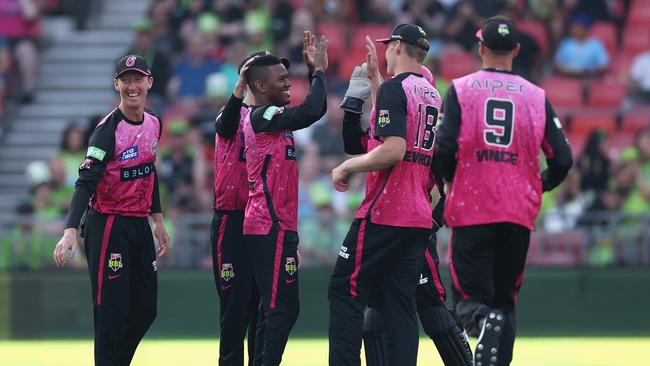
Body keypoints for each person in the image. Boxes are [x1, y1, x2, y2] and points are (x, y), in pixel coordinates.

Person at [435, 16, 573, 366]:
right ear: (516, 50)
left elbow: (444, 148)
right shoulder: (537, 96)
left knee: (469, 300)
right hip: (517, 213)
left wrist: (448, 184)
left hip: (472, 208)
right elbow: (563, 159)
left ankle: (482, 320)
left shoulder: (462, 89)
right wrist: (536, 187)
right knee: (505, 302)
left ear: (480, 48)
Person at [337, 39, 473, 366]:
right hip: (406, 218)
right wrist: (359, 95)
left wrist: (434, 223)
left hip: (404, 219)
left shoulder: (422, 128)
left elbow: (449, 185)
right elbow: (357, 141)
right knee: (386, 307)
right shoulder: (413, 117)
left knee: (427, 306)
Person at [328, 24, 441, 366]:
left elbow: (392, 149)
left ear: (397, 47)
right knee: (400, 305)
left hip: (386, 212)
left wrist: (348, 166)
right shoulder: (431, 92)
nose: (385, 51)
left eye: (388, 45)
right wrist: (376, 84)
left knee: (343, 289)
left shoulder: (396, 89)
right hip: (418, 215)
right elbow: (390, 126)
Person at [52, 55, 170, 366]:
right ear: (116, 84)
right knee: (110, 312)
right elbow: (85, 182)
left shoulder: (155, 122)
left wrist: (157, 220)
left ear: (149, 83)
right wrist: (69, 231)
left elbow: (148, 171)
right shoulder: (107, 130)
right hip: (108, 225)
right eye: (126, 79)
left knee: (146, 309)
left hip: (138, 225)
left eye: (138, 79)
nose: (132, 86)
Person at [242, 32, 328, 366]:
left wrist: (314, 75)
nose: (289, 83)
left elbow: (310, 109)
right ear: (261, 87)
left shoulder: (277, 121)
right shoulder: (261, 117)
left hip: (278, 226)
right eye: (282, 79)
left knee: (274, 307)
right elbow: (312, 111)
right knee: (283, 307)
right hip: (268, 226)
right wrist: (318, 72)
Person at [211, 52, 263, 366]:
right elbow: (226, 125)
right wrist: (239, 87)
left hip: (264, 222)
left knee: (263, 310)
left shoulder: (276, 119)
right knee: (235, 309)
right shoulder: (234, 114)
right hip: (232, 219)